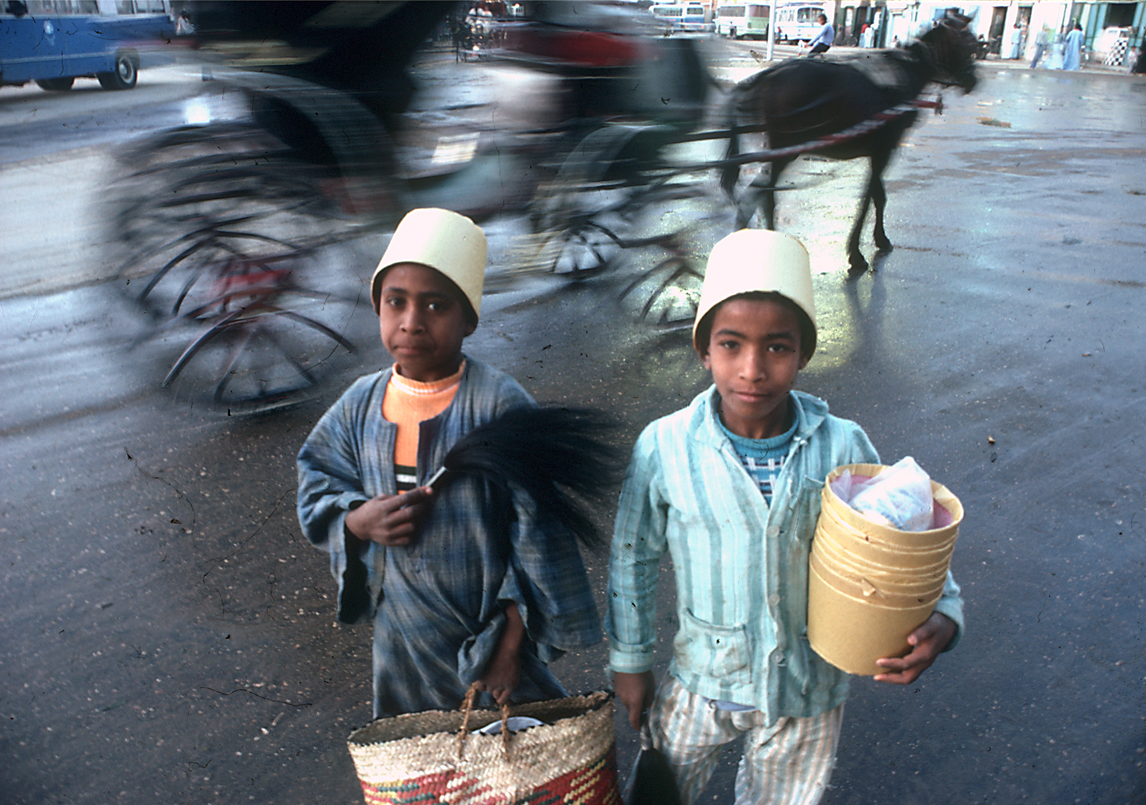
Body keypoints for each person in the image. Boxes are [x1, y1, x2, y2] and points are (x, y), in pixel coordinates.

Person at [607, 230, 964, 804]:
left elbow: (897, 537)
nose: (752, 369)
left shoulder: (842, 445)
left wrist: (942, 615)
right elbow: (633, 556)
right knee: (658, 795)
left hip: (807, 690)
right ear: (704, 351)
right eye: (730, 345)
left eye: (777, 347)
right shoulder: (664, 447)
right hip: (701, 679)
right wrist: (630, 661)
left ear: (803, 356)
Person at [297, 208, 602, 718]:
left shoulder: (499, 406)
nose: (411, 322)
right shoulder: (357, 405)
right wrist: (356, 520)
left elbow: (540, 540)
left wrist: (509, 646)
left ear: (469, 319)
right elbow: (316, 479)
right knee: (417, 755)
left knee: (513, 751)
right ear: (378, 307)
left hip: (486, 645)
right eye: (396, 302)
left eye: (436, 305)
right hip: (402, 646)